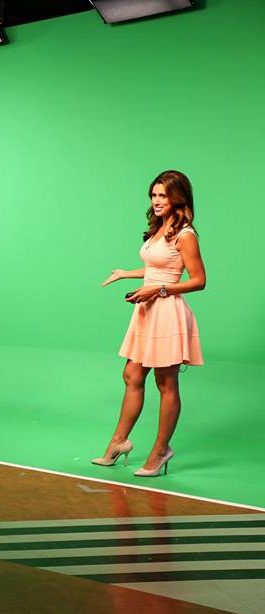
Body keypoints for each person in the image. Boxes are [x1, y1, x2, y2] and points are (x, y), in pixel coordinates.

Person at [96, 170, 206, 477]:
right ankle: (119, 443)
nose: (156, 201)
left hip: (167, 311)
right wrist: (126, 274)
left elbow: (199, 281)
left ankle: (160, 451)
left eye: (163, 196)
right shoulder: (160, 229)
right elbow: (157, 267)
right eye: (154, 195)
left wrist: (157, 290)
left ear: (178, 198)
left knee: (165, 383)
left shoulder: (185, 235)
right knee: (132, 374)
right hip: (146, 310)